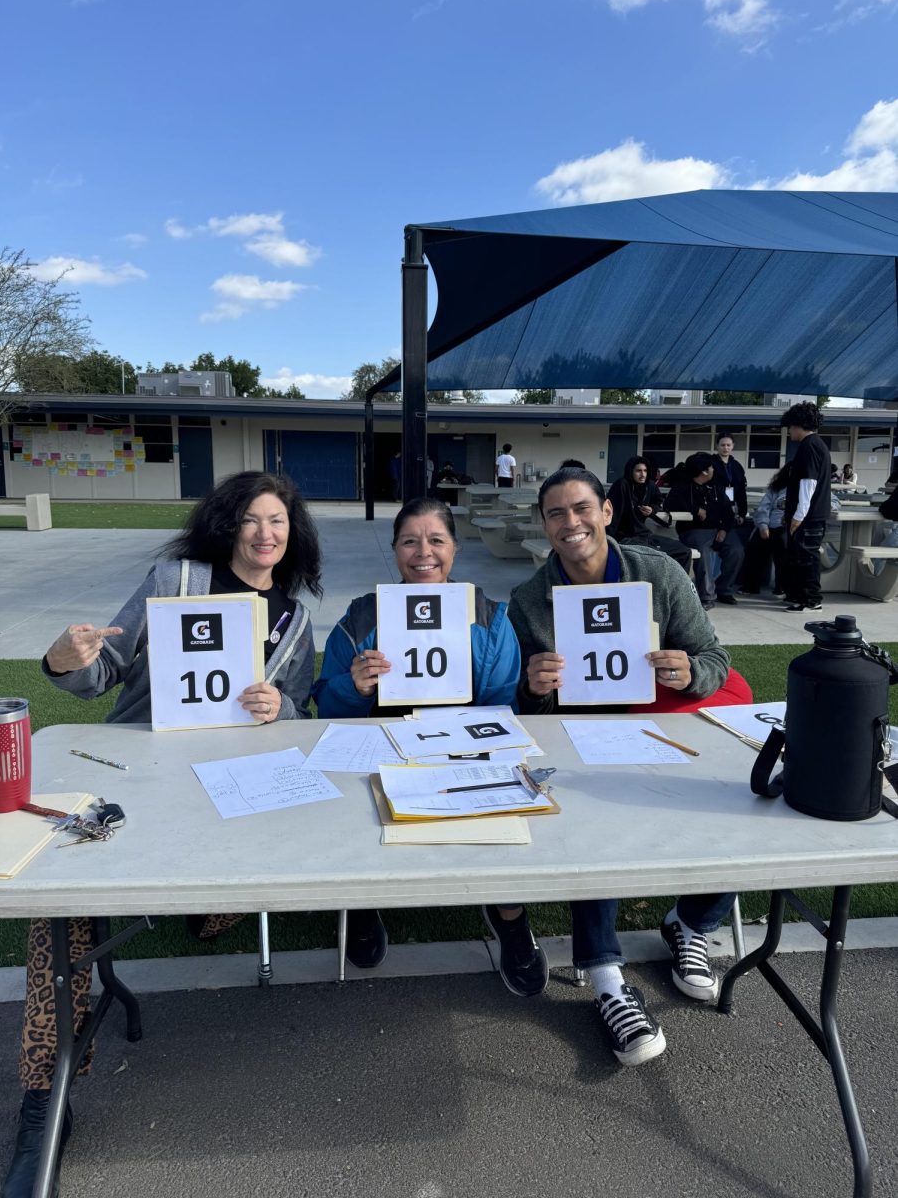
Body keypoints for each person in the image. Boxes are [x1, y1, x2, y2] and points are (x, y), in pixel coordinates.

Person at [3, 471, 320, 1198]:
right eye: (249, 519)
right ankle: (42, 1104)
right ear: (225, 524)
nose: (264, 533)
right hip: (136, 767)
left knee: (249, 869)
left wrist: (284, 707)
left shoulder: (295, 620)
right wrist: (65, 660)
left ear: (291, 534)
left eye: (277, 521)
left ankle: (206, 904)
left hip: (232, 786)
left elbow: (298, 705)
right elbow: (103, 673)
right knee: (61, 898)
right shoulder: (176, 578)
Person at [505, 467, 738, 1067]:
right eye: (555, 513)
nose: (570, 522)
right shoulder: (530, 599)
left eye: (581, 508)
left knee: (738, 800)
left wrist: (690, 672)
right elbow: (526, 706)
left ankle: (691, 922)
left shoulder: (659, 572)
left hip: (661, 724)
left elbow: (713, 655)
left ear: (607, 511)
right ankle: (606, 976)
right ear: (544, 524)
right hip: (580, 738)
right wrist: (533, 688)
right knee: (589, 822)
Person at [312, 498, 544, 993]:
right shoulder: (360, 619)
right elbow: (325, 712)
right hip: (379, 747)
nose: (423, 553)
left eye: (436, 540)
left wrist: (462, 750)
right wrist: (353, 689)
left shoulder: (489, 617)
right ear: (394, 550)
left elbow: (503, 707)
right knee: (347, 796)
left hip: (461, 748)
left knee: (506, 793)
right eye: (409, 541)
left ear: (455, 549)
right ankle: (362, 899)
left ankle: (508, 910)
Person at [664, 453, 744, 608]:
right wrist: (695, 509)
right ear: (704, 471)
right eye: (711, 467)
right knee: (703, 555)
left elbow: (728, 511)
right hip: (694, 531)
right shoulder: (683, 487)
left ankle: (724, 590)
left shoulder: (715, 487)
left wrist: (724, 529)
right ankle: (707, 597)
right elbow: (669, 505)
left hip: (718, 529)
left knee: (736, 550)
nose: (714, 469)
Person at [780, 402, 831, 612]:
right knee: (801, 557)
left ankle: (810, 599)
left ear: (799, 424)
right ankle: (799, 595)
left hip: (808, 517)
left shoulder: (809, 446)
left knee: (806, 558)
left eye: (791, 426)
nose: (789, 431)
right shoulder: (817, 444)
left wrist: (798, 515)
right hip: (812, 514)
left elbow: (808, 483)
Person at [606, 455, 692, 574]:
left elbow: (658, 501)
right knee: (655, 557)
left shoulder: (650, 486)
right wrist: (608, 542)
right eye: (638, 471)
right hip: (625, 538)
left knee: (684, 551)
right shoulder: (622, 485)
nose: (643, 474)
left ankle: (680, 588)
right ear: (631, 471)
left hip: (644, 535)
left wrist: (652, 510)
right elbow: (611, 515)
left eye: (645, 471)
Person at [738, 463, 790, 596]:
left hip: (788, 528)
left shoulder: (807, 488)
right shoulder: (776, 488)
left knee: (783, 551)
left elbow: (833, 501)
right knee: (753, 549)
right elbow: (763, 508)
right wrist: (763, 526)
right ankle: (751, 586)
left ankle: (782, 586)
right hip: (768, 526)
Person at [712, 432, 748, 527]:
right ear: (717, 446)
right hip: (713, 506)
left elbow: (741, 491)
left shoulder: (737, 466)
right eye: (722, 445)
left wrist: (742, 513)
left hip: (730, 505)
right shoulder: (710, 463)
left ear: (733, 446)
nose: (726, 448)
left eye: (728, 445)